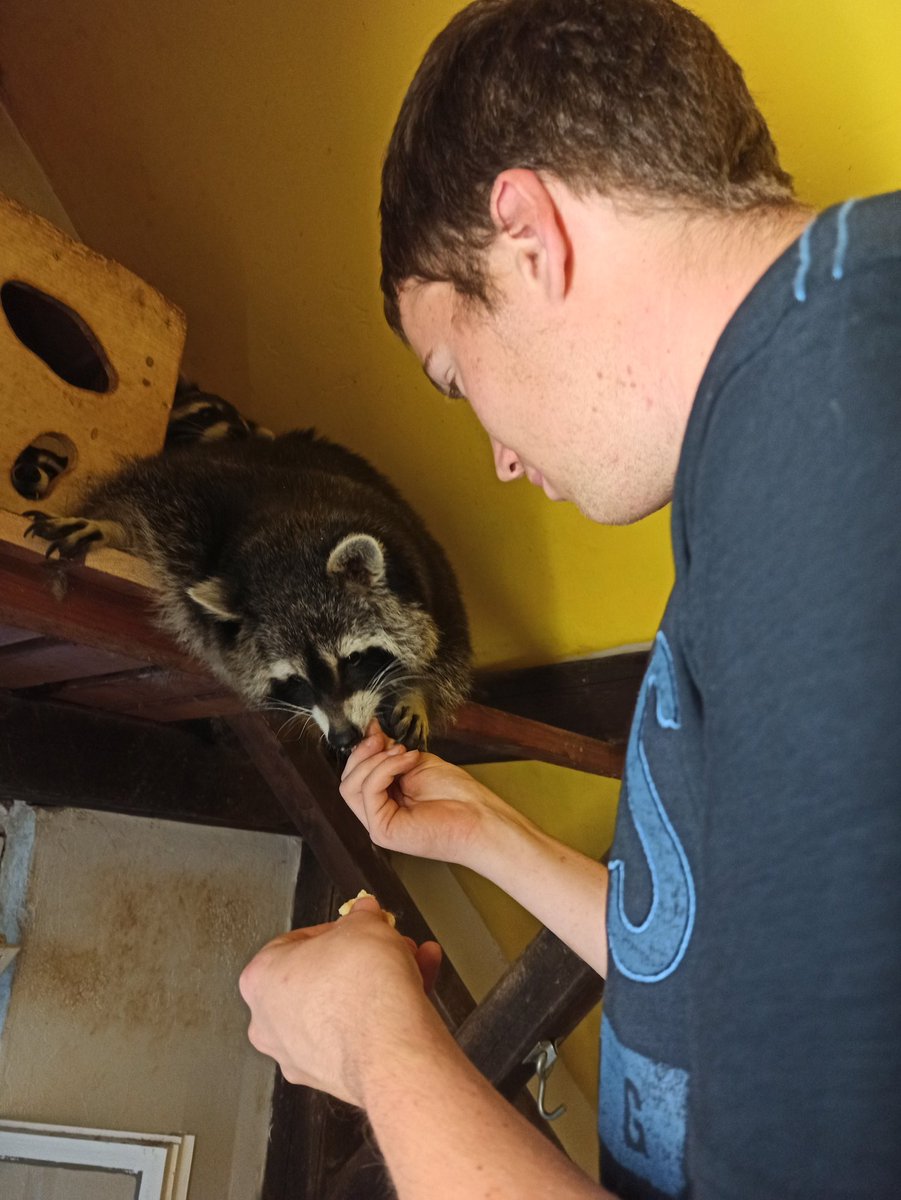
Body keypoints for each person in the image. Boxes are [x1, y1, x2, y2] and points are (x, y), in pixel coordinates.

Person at [238, 1, 901, 1196]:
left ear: (528, 234)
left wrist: (378, 1050)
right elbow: (733, 983)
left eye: (453, 374)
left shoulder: (842, 453)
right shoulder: (801, 412)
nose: (494, 450)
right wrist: (489, 835)